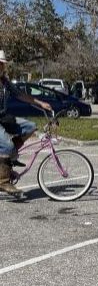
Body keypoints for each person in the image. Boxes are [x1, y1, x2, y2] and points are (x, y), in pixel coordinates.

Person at [0, 50, 52, 195]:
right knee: (7, 146)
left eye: (2, 64)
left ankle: (9, 157)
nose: (1, 67)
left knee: (30, 127)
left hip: (3, 117)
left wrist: (41, 103)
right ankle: (3, 182)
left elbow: (21, 95)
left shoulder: (5, 82)